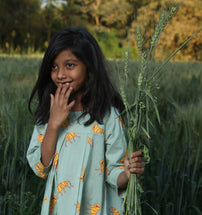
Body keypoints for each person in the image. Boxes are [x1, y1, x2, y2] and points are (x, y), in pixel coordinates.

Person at [27, 27, 145, 215]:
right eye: (54, 66)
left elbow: (114, 172)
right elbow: (41, 167)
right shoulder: (49, 113)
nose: (60, 74)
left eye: (70, 65)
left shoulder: (108, 116)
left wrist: (128, 173)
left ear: (89, 69)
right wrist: (54, 123)